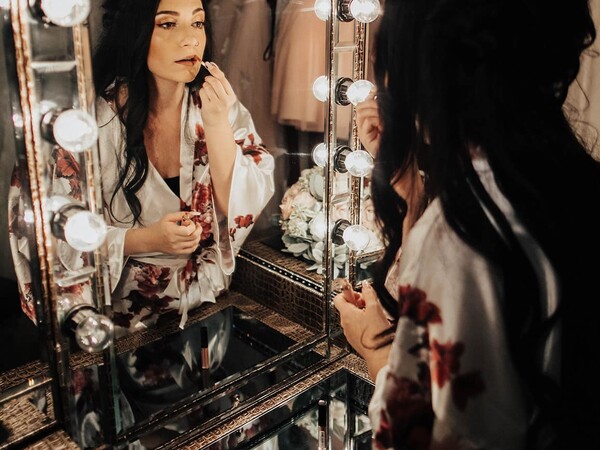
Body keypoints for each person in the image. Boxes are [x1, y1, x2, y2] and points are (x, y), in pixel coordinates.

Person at [333, 0, 600, 448]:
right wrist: (412, 199)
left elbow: (427, 437)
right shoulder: (569, 183)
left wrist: (375, 347)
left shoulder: (462, 234)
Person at [8, 0, 274, 335]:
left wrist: (218, 124)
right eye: (168, 24)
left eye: (197, 23)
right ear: (135, 32)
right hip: (115, 322)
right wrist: (144, 240)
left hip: (203, 308)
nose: (191, 39)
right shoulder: (84, 125)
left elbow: (240, 207)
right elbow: (45, 231)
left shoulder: (217, 107)